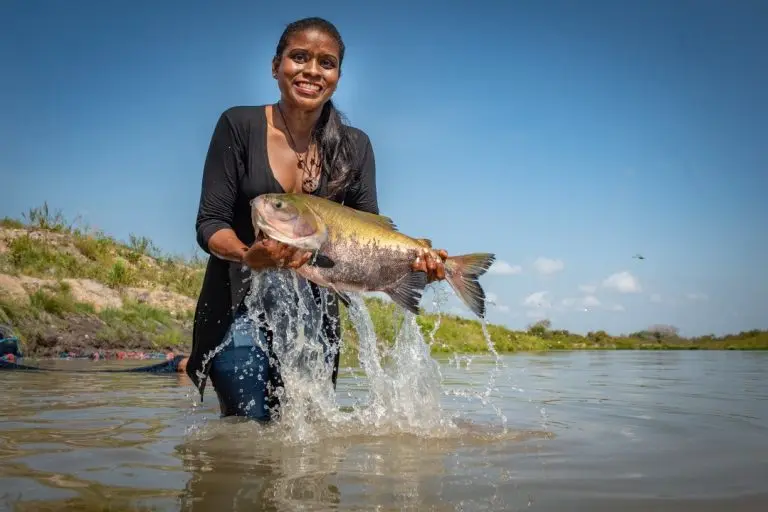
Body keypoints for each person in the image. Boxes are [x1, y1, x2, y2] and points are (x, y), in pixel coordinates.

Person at [186, 17, 448, 422]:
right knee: (244, 434)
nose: (311, 70)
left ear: (338, 77)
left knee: (309, 441)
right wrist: (246, 254)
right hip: (238, 306)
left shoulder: (356, 146)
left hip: (317, 315)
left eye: (326, 63)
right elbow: (210, 223)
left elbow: (368, 235)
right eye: (299, 57)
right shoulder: (238, 125)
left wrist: (412, 269)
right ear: (276, 66)